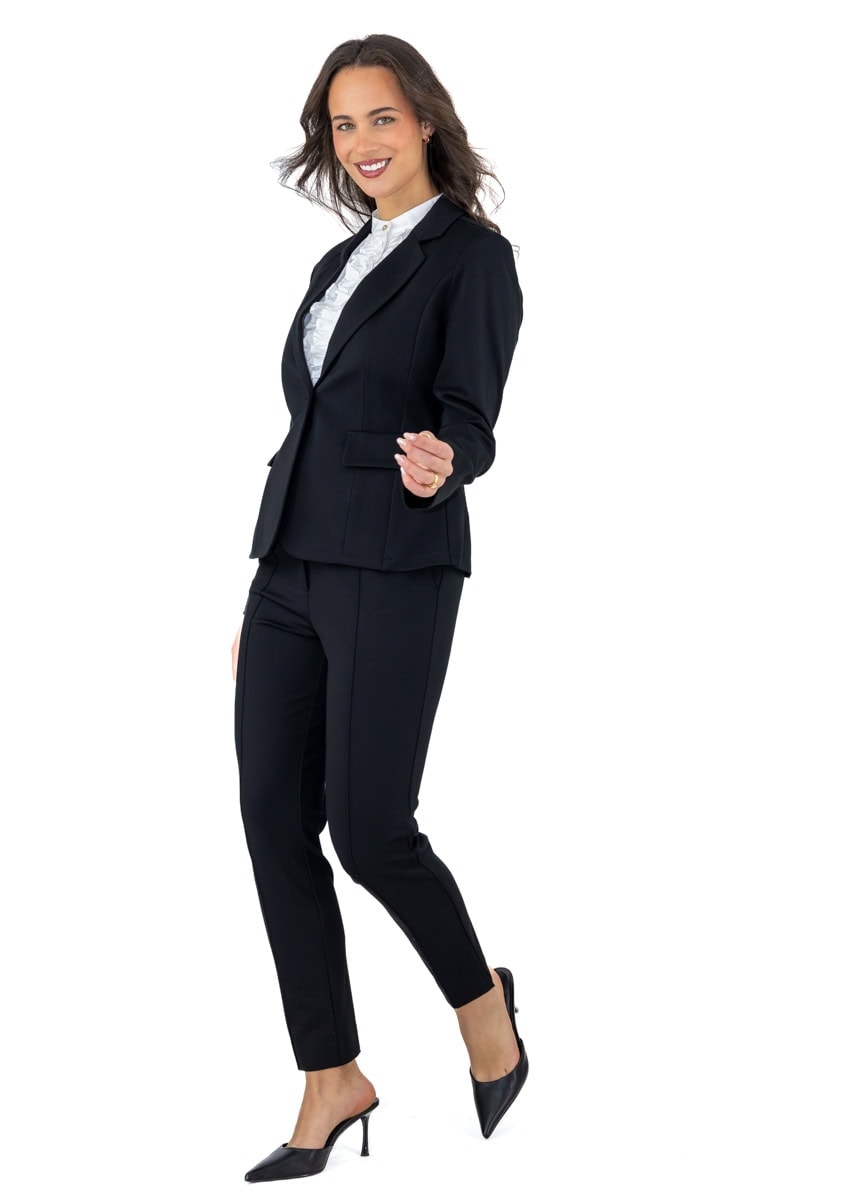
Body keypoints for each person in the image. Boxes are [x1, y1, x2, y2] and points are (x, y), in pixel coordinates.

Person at [231, 33, 526, 1183]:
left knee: (368, 832)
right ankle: (330, 1075)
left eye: (380, 118)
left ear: (426, 121)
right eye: (342, 124)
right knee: (271, 817)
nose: (360, 142)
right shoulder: (337, 262)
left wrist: (443, 463)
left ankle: (483, 1009)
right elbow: (309, 417)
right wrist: (270, 571)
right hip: (289, 567)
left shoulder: (471, 258)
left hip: (393, 563)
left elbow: (470, 417)